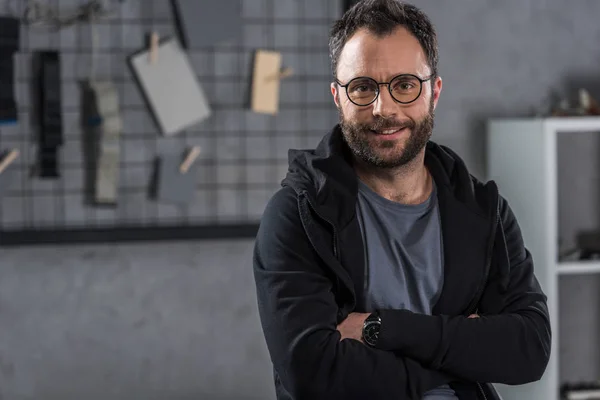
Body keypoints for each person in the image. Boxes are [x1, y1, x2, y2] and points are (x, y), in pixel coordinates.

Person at [252, 1, 551, 399]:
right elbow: (313, 372)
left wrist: (385, 329)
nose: (384, 108)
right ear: (338, 98)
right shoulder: (298, 215)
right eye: (362, 87)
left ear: (434, 92)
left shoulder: (484, 211)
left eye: (405, 85)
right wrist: (459, 355)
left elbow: (529, 348)